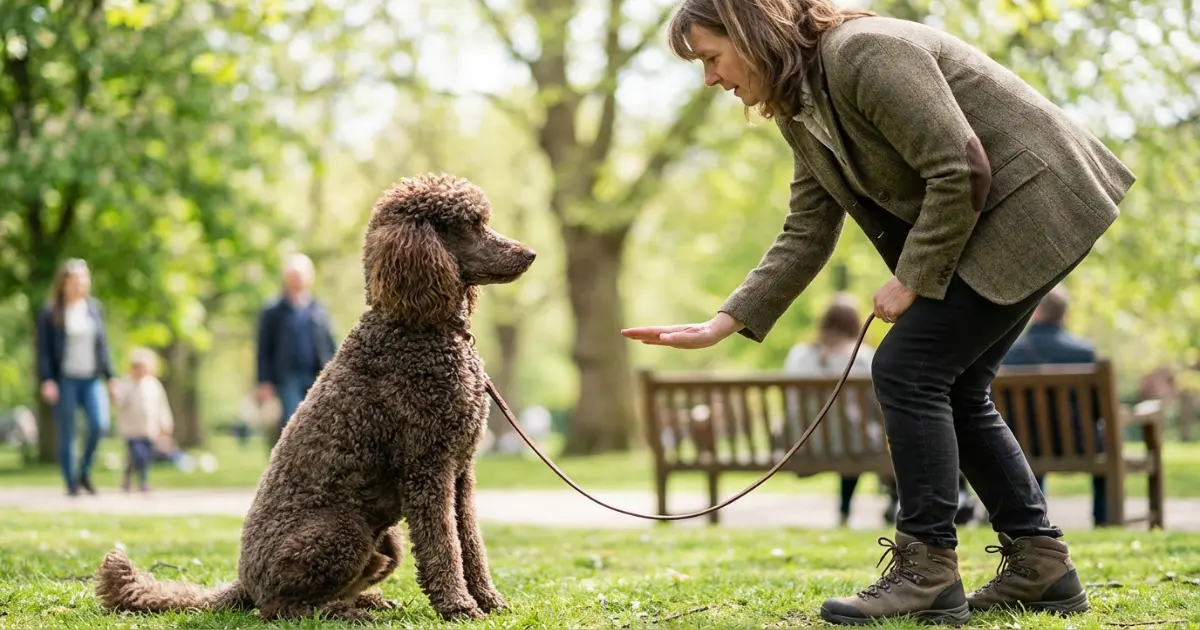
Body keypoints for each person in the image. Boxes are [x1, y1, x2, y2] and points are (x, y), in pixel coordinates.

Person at [622, 1, 1134, 624]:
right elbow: (807, 230)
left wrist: (912, 277)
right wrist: (722, 322)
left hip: (1037, 198)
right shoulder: (801, 106)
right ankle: (1041, 566)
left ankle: (927, 571)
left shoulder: (865, 52)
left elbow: (959, 165)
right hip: (998, 211)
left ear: (752, 32)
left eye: (710, 57)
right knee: (956, 384)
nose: (710, 78)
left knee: (908, 369)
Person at [1001, 285, 1108, 526]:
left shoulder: (1008, 353)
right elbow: (1097, 410)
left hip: (1023, 445)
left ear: (1034, 311)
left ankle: (1034, 517)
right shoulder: (1083, 352)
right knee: (1104, 437)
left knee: (1026, 434)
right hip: (1081, 445)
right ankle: (1103, 517)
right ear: (1064, 314)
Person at [781, 293, 877, 526]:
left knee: (849, 430)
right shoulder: (863, 357)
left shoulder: (799, 354)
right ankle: (846, 511)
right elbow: (879, 404)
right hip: (853, 445)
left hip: (802, 442)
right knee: (863, 433)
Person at [35, 258, 117, 497]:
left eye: (83, 279)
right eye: (74, 280)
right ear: (64, 283)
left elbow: (103, 347)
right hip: (66, 379)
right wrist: (47, 379)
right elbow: (44, 351)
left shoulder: (93, 307)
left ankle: (84, 472)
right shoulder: (50, 312)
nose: (80, 284)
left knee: (99, 424)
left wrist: (111, 377)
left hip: (92, 378)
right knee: (69, 432)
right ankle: (71, 484)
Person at [254, 253, 337, 448]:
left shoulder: (319, 310)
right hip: (286, 377)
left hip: (316, 376)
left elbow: (330, 344)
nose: (297, 278)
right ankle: (289, 465)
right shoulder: (273, 311)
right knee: (291, 423)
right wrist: (263, 381)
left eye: (301, 274)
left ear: (310, 277)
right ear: (286, 277)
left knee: (316, 422)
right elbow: (263, 348)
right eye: (293, 274)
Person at [110, 348, 174, 493]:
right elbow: (119, 402)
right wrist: (114, 394)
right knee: (136, 454)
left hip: (149, 429)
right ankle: (131, 477)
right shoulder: (125, 384)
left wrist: (165, 424)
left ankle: (142, 479)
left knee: (145, 456)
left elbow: (161, 406)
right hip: (131, 429)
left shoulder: (153, 385)